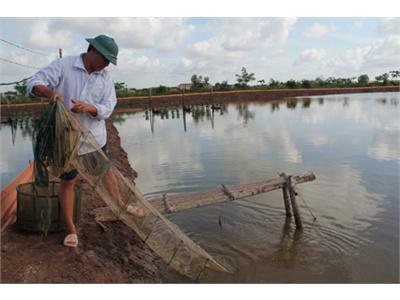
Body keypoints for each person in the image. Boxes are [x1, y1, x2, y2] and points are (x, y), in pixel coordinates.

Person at [27, 34, 142, 248]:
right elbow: (34, 83)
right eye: (105, 59)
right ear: (93, 51)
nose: (107, 65)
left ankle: (119, 206)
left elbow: (109, 104)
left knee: (106, 172)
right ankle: (71, 230)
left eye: (109, 62)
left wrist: (91, 108)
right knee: (68, 182)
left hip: (95, 138)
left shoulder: (105, 76)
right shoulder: (64, 65)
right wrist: (51, 93)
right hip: (67, 140)